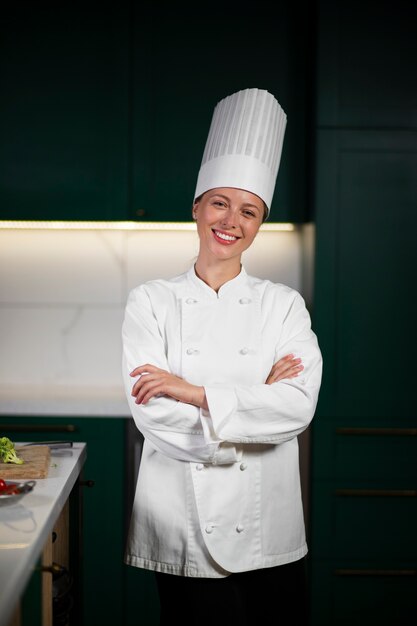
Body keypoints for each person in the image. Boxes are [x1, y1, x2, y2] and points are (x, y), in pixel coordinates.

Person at [122, 88, 323, 626]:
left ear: (259, 223)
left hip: (267, 525)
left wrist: (193, 392)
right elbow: (152, 414)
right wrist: (255, 406)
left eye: (249, 211)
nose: (232, 220)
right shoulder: (150, 300)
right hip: (182, 521)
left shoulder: (283, 306)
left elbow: (298, 409)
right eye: (220, 202)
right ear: (197, 206)